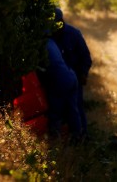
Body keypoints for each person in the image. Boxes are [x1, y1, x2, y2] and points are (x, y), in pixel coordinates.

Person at [52, 8, 93, 137]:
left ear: (61, 21)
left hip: (73, 77)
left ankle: (82, 136)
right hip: (56, 80)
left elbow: (86, 57)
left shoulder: (73, 34)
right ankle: (64, 137)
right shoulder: (48, 37)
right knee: (58, 109)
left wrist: (83, 73)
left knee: (76, 106)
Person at [42, 38, 83, 140]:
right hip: (71, 76)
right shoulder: (51, 42)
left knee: (55, 112)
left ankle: (55, 141)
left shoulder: (41, 45)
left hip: (59, 79)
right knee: (72, 109)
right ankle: (77, 137)